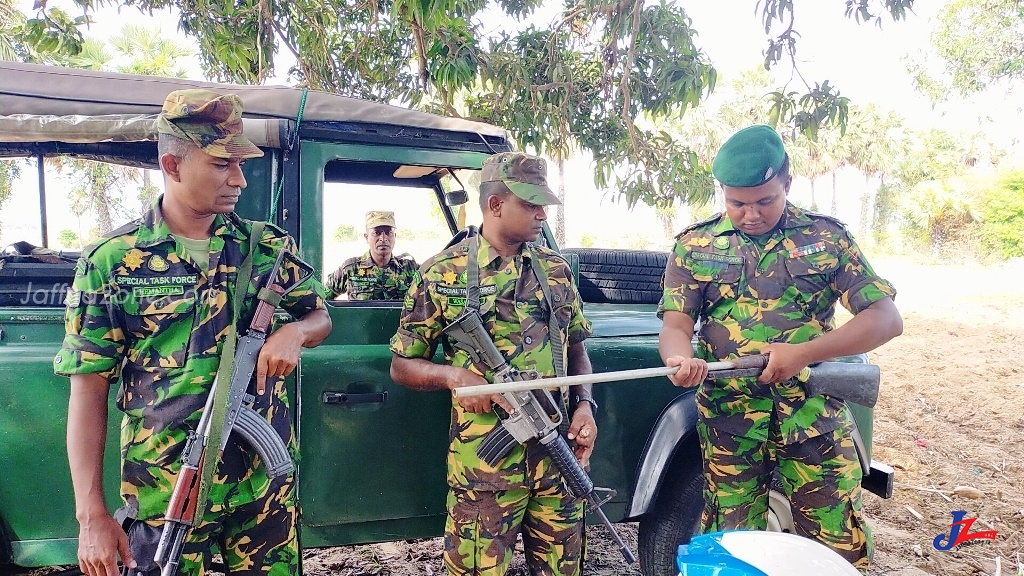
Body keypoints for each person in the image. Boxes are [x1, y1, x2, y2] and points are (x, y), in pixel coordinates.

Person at [55, 89, 332, 576]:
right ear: (173, 164)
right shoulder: (112, 263)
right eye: (223, 164)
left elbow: (320, 315)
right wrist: (91, 515)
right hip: (168, 495)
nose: (239, 179)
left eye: (241, 164)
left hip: (261, 493)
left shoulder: (264, 246)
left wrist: (296, 334)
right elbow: (88, 389)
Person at [658, 125, 903, 571]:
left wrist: (803, 354)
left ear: (787, 184)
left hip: (813, 418)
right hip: (731, 422)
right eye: (737, 203)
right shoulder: (695, 245)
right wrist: (678, 358)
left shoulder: (827, 239)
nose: (750, 214)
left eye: (764, 201)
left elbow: (885, 319)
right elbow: (676, 323)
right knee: (731, 546)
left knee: (836, 543)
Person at [389, 152, 597, 576]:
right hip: (484, 471)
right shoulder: (441, 274)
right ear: (496, 204)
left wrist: (585, 406)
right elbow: (402, 365)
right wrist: (454, 377)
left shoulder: (556, 271)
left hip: (558, 460)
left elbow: (577, 349)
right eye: (530, 203)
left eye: (543, 204)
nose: (541, 214)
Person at [325, 211, 419, 300]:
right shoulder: (350, 269)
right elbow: (321, 297)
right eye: (376, 233)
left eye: (388, 232)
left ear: (395, 236)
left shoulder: (410, 269)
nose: (383, 238)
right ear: (366, 237)